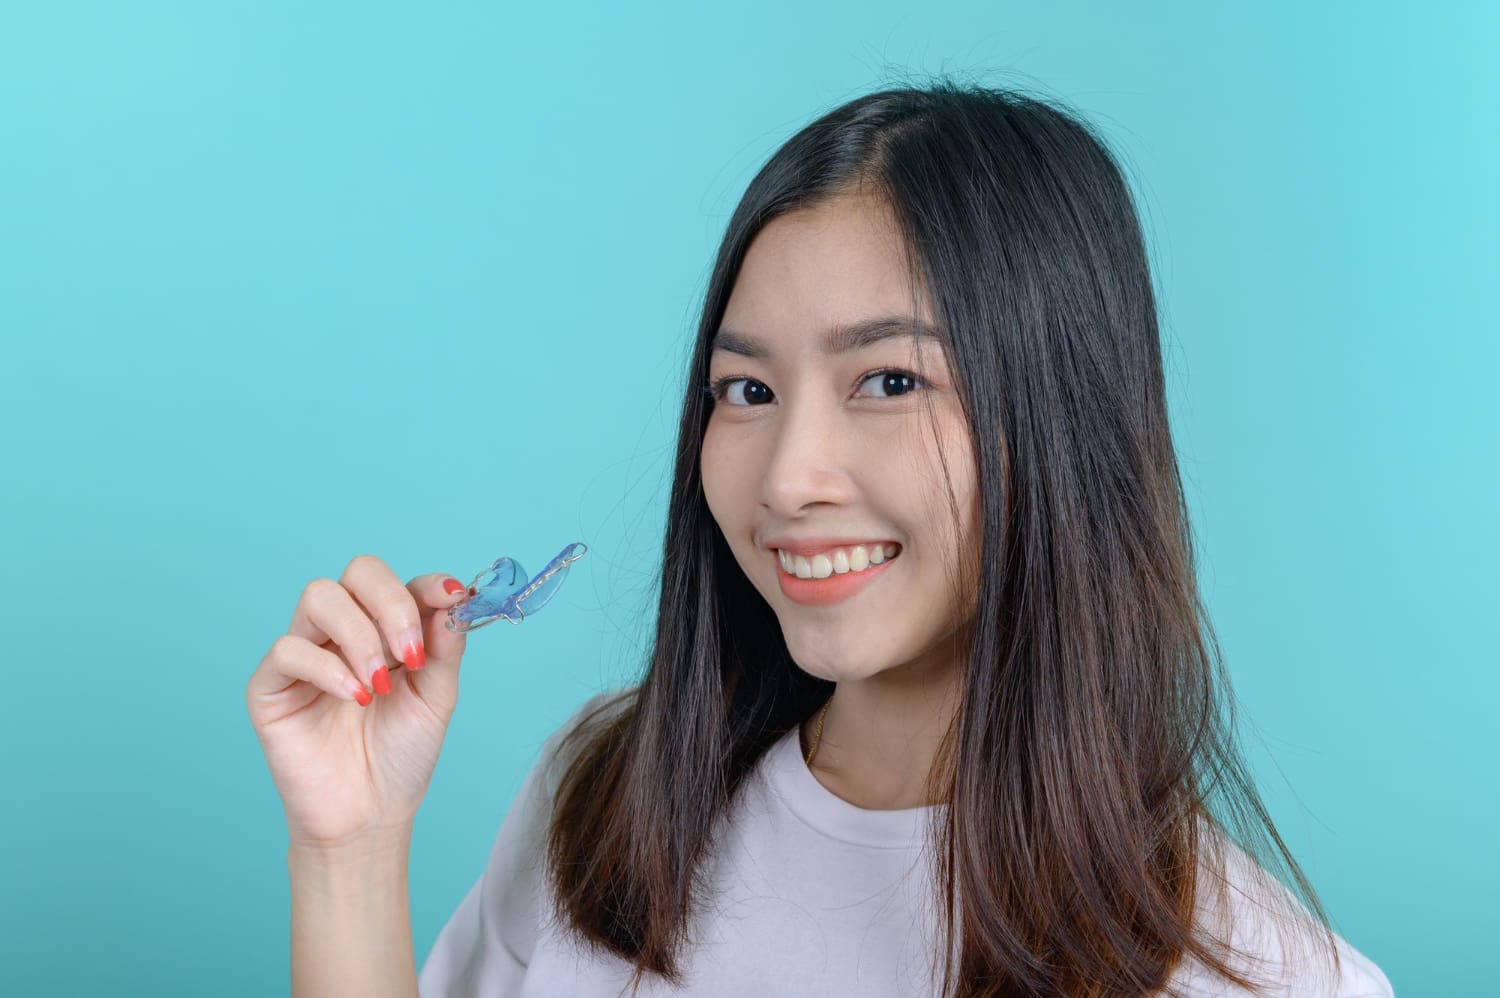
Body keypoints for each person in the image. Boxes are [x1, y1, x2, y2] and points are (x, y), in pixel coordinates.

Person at [246, 79, 1395, 997]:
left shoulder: (1268, 975)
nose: (788, 477)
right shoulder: (605, 796)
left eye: (889, 378)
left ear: (1062, 413)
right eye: (743, 391)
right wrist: (347, 848)